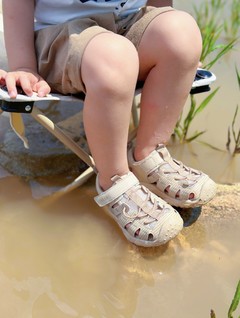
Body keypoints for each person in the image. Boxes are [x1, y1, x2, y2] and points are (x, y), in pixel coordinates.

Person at [1, 0, 216, 247]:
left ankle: (147, 153)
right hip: (60, 35)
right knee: (115, 56)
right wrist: (23, 65)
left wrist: (176, 53)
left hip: (126, 25)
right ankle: (114, 179)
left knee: (181, 33)